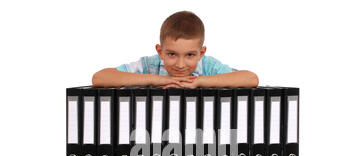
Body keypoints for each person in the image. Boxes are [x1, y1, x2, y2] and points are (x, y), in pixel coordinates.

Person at [92, 11, 258, 88]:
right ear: (160, 51)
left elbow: (251, 79)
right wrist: (157, 80)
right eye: (171, 54)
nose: (180, 64)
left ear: (201, 53)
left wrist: (198, 82)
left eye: (190, 55)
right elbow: (100, 78)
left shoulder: (207, 66)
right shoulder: (150, 65)